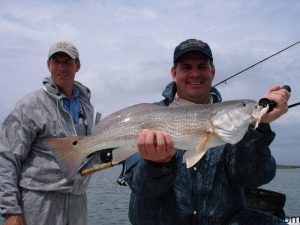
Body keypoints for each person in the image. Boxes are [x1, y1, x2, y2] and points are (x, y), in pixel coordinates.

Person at [123, 39, 290, 225]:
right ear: (174, 73)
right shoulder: (147, 117)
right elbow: (139, 186)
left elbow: (255, 177)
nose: (195, 74)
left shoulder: (239, 126)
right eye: (186, 67)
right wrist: (156, 165)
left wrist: (260, 126)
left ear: (213, 72)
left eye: (202, 67)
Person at [0, 41, 97, 225]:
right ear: (48, 65)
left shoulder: (86, 106)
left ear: (77, 65)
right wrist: (10, 210)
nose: (61, 68)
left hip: (78, 201)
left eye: (67, 62)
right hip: (39, 202)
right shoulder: (29, 105)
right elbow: (6, 157)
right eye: (56, 62)